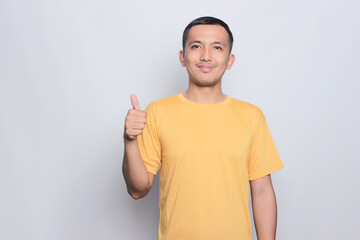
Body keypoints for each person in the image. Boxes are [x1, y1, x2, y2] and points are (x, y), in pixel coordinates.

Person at [122, 16, 284, 240]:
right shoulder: (158, 112)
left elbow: (262, 192)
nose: (206, 55)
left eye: (217, 47)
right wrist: (130, 141)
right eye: (196, 46)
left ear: (229, 60)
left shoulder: (251, 116)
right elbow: (137, 190)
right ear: (182, 57)